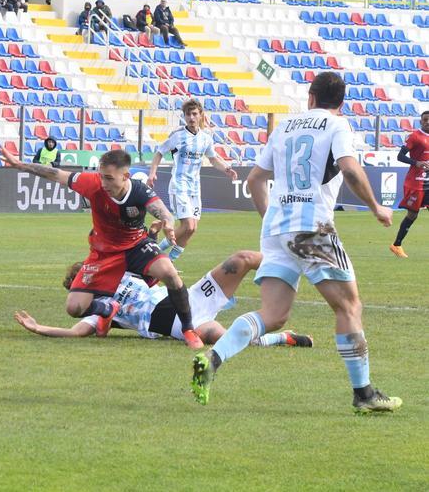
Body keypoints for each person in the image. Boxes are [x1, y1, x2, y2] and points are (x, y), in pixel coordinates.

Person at [191, 72, 401, 414]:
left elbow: (256, 179)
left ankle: (214, 357)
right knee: (348, 307)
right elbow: (348, 169)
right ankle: (363, 394)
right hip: (311, 229)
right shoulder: (337, 125)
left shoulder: (285, 127)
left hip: (276, 229)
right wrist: (376, 207)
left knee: (273, 315)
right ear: (341, 103)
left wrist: (271, 220)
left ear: (310, 97)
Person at [0, 147, 204, 348]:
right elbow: (55, 173)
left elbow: (162, 211)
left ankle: (188, 329)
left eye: (109, 178)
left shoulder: (139, 191)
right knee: (74, 308)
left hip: (135, 246)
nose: (104, 183)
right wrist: (20, 165)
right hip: (103, 253)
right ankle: (107, 309)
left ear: (125, 176)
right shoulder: (92, 183)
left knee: (169, 272)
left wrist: (168, 222)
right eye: (101, 176)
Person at [16, 247, 313, 347]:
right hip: (169, 323)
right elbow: (75, 332)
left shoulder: (124, 272)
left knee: (243, 258)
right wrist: (40, 328)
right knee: (232, 339)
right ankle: (283, 338)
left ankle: (298, 263)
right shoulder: (97, 309)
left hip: (187, 298)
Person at [146, 99, 236, 261]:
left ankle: (170, 261)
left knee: (192, 229)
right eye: (188, 114)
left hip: (195, 188)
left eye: (194, 114)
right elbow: (159, 152)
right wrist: (152, 173)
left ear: (201, 115)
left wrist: (226, 169)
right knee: (187, 225)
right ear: (184, 116)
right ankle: (154, 253)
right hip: (179, 185)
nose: (191, 118)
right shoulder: (178, 135)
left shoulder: (206, 138)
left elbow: (213, 159)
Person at [389, 111, 429, 258]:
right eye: (425, 120)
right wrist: (417, 163)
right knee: (412, 215)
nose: (428, 122)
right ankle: (396, 245)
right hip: (415, 183)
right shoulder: (415, 136)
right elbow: (400, 156)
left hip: (427, 182)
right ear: (421, 121)